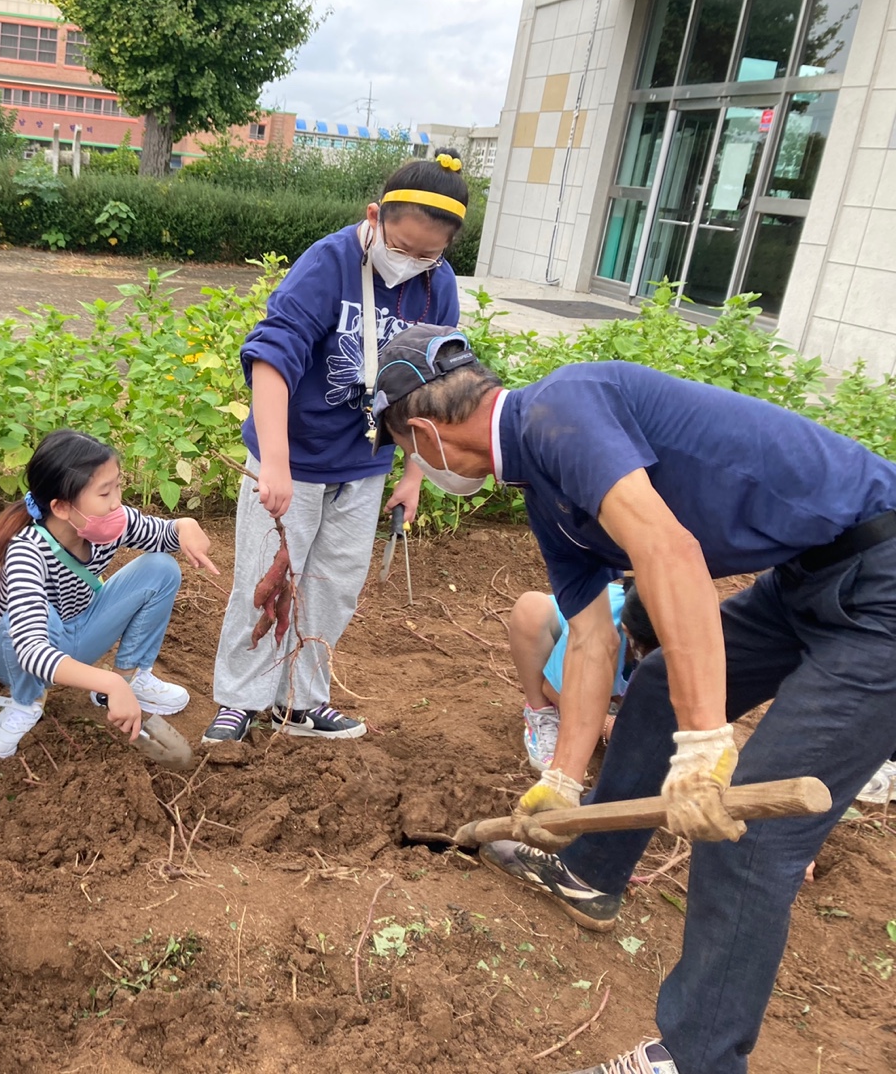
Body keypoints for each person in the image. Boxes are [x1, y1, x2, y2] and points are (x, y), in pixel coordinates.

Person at [371, 327, 896, 1074]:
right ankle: (590, 871)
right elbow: (589, 637)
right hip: (804, 576)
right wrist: (562, 778)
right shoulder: (544, 487)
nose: (413, 464)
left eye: (404, 451)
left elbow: (671, 553)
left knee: (745, 831)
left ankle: (697, 1058)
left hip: (882, 578)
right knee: (652, 690)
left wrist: (707, 743)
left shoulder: (564, 409)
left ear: (422, 431)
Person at [202, 151, 469, 745]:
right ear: (374, 216)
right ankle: (241, 701)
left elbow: (432, 387)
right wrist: (275, 462)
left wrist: (414, 474)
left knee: (333, 584)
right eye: (402, 245)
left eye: (428, 254)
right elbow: (273, 356)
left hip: (365, 462)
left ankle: (299, 701)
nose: (412, 262)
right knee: (264, 579)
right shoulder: (329, 262)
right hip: (292, 458)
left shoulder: (438, 285)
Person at [0, 429, 218, 759]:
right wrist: (107, 684)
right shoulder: (26, 553)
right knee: (41, 616)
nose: (117, 502)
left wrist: (185, 525)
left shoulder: (109, 524)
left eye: (118, 485)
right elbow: (30, 649)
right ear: (60, 507)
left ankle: (132, 677)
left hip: (79, 633)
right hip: (17, 655)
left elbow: (165, 536)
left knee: (161, 568)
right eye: (105, 493)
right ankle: (25, 703)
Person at [509, 578, 658, 770]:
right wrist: (608, 725)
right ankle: (542, 715)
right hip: (559, 675)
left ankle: (608, 703)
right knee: (531, 609)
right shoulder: (598, 625)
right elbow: (552, 689)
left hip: (618, 664)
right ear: (629, 632)